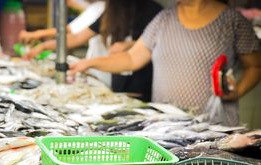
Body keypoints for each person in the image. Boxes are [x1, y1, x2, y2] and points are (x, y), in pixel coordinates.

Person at [70, 0, 261, 126]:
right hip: (167, 126)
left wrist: (238, 90)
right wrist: (89, 63)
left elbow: (255, 65)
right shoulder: (164, 19)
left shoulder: (232, 20)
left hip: (214, 127)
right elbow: (131, 59)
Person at [25, 0, 163, 101]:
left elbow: (154, 43)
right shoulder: (112, 11)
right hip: (117, 79)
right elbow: (78, 37)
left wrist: (129, 45)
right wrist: (43, 46)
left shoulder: (154, 10)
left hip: (142, 80)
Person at [19, 0, 110, 85]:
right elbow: (77, 36)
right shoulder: (98, 6)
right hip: (96, 72)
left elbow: (73, 33)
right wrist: (43, 45)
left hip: (104, 75)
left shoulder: (101, 7)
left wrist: (37, 35)